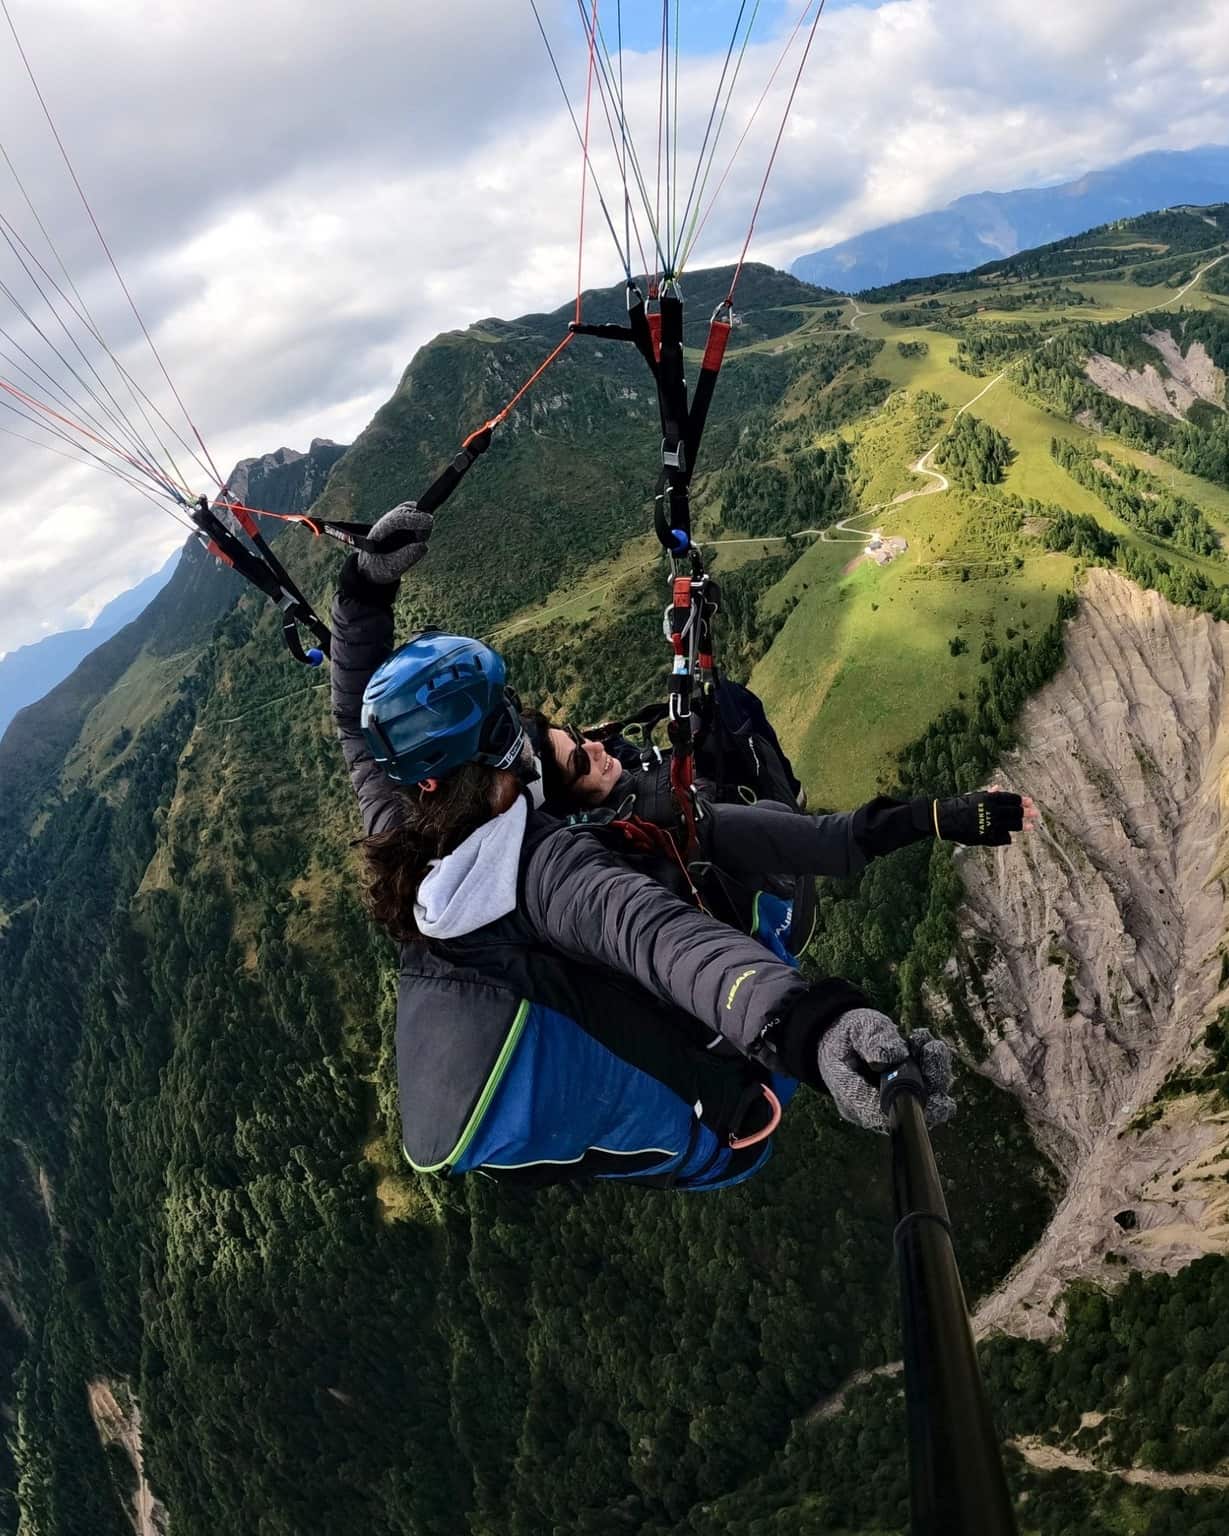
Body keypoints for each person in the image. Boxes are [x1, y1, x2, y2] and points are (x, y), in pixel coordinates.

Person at [332, 504, 1036, 1190]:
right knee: (732, 789)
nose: (525, 722)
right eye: (508, 720)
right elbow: (656, 936)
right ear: (493, 754)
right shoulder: (545, 871)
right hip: (720, 1114)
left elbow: (352, 721)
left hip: (596, 1010)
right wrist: (804, 1025)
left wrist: (364, 590)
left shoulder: (402, 825)